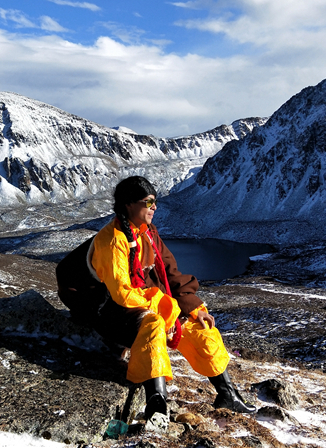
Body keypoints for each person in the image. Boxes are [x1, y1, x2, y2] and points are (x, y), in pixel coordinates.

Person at [87, 176, 255, 420]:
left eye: (156, 201)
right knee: (153, 326)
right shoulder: (112, 240)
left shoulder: (148, 234)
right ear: (128, 204)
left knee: (200, 328)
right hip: (114, 313)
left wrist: (194, 307)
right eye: (149, 202)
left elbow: (170, 273)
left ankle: (227, 394)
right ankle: (157, 404)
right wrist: (166, 307)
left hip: (150, 305)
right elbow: (122, 293)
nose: (154, 207)